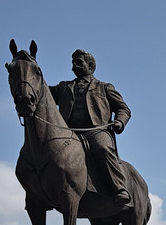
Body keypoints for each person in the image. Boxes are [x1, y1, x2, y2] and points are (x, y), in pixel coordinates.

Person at [50, 49, 132, 206]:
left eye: (78, 62)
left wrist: (119, 121)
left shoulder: (104, 87)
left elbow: (123, 108)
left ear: (91, 65)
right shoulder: (63, 87)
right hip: (69, 133)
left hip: (96, 131)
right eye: (73, 63)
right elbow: (42, 92)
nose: (74, 66)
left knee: (103, 148)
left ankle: (119, 187)